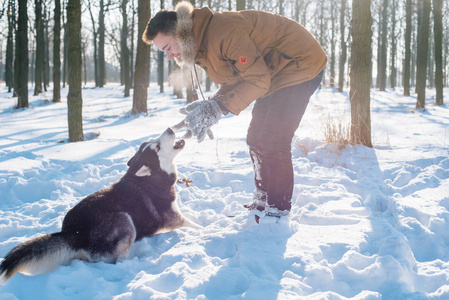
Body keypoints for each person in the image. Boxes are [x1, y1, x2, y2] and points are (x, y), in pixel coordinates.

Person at [142, 1, 327, 220]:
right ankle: (263, 200)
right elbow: (240, 77)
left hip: (300, 65)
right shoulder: (201, 45)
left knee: (273, 140)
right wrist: (211, 105)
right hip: (273, 72)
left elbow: (257, 79)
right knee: (255, 137)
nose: (170, 55)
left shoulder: (223, 33)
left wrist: (218, 107)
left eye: (168, 48)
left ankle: (277, 210)